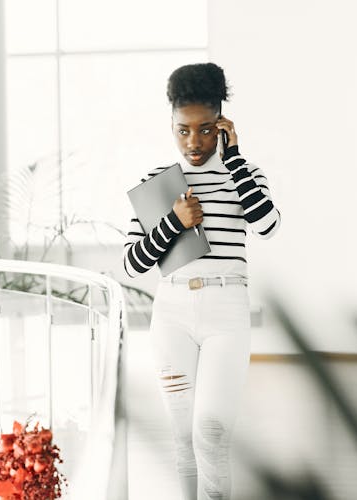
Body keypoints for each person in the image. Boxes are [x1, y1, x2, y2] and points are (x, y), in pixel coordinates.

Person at [122, 62, 281, 500]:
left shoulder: (244, 176)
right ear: (171, 124)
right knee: (181, 435)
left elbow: (268, 224)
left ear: (223, 124)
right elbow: (133, 265)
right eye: (183, 130)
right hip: (170, 312)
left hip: (227, 311)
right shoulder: (156, 184)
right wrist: (173, 221)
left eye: (207, 129)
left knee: (210, 432)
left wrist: (233, 161)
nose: (195, 141)